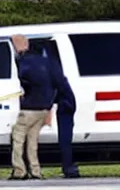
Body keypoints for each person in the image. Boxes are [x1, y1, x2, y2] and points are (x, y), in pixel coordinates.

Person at [9, 34, 55, 181]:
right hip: (42, 108)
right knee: (32, 141)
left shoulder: (24, 63)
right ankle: (35, 170)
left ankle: (19, 170)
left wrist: (23, 94)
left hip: (29, 107)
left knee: (18, 138)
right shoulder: (46, 65)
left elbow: (25, 82)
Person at [41, 45, 80, 178]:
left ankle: (68, 167)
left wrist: (48, 106)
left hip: (64, 103)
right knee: (65, 137)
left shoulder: (49, 65)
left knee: (64, 137)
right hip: (66, 101)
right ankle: (68, 166)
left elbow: (57, 85)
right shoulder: (52, 64)